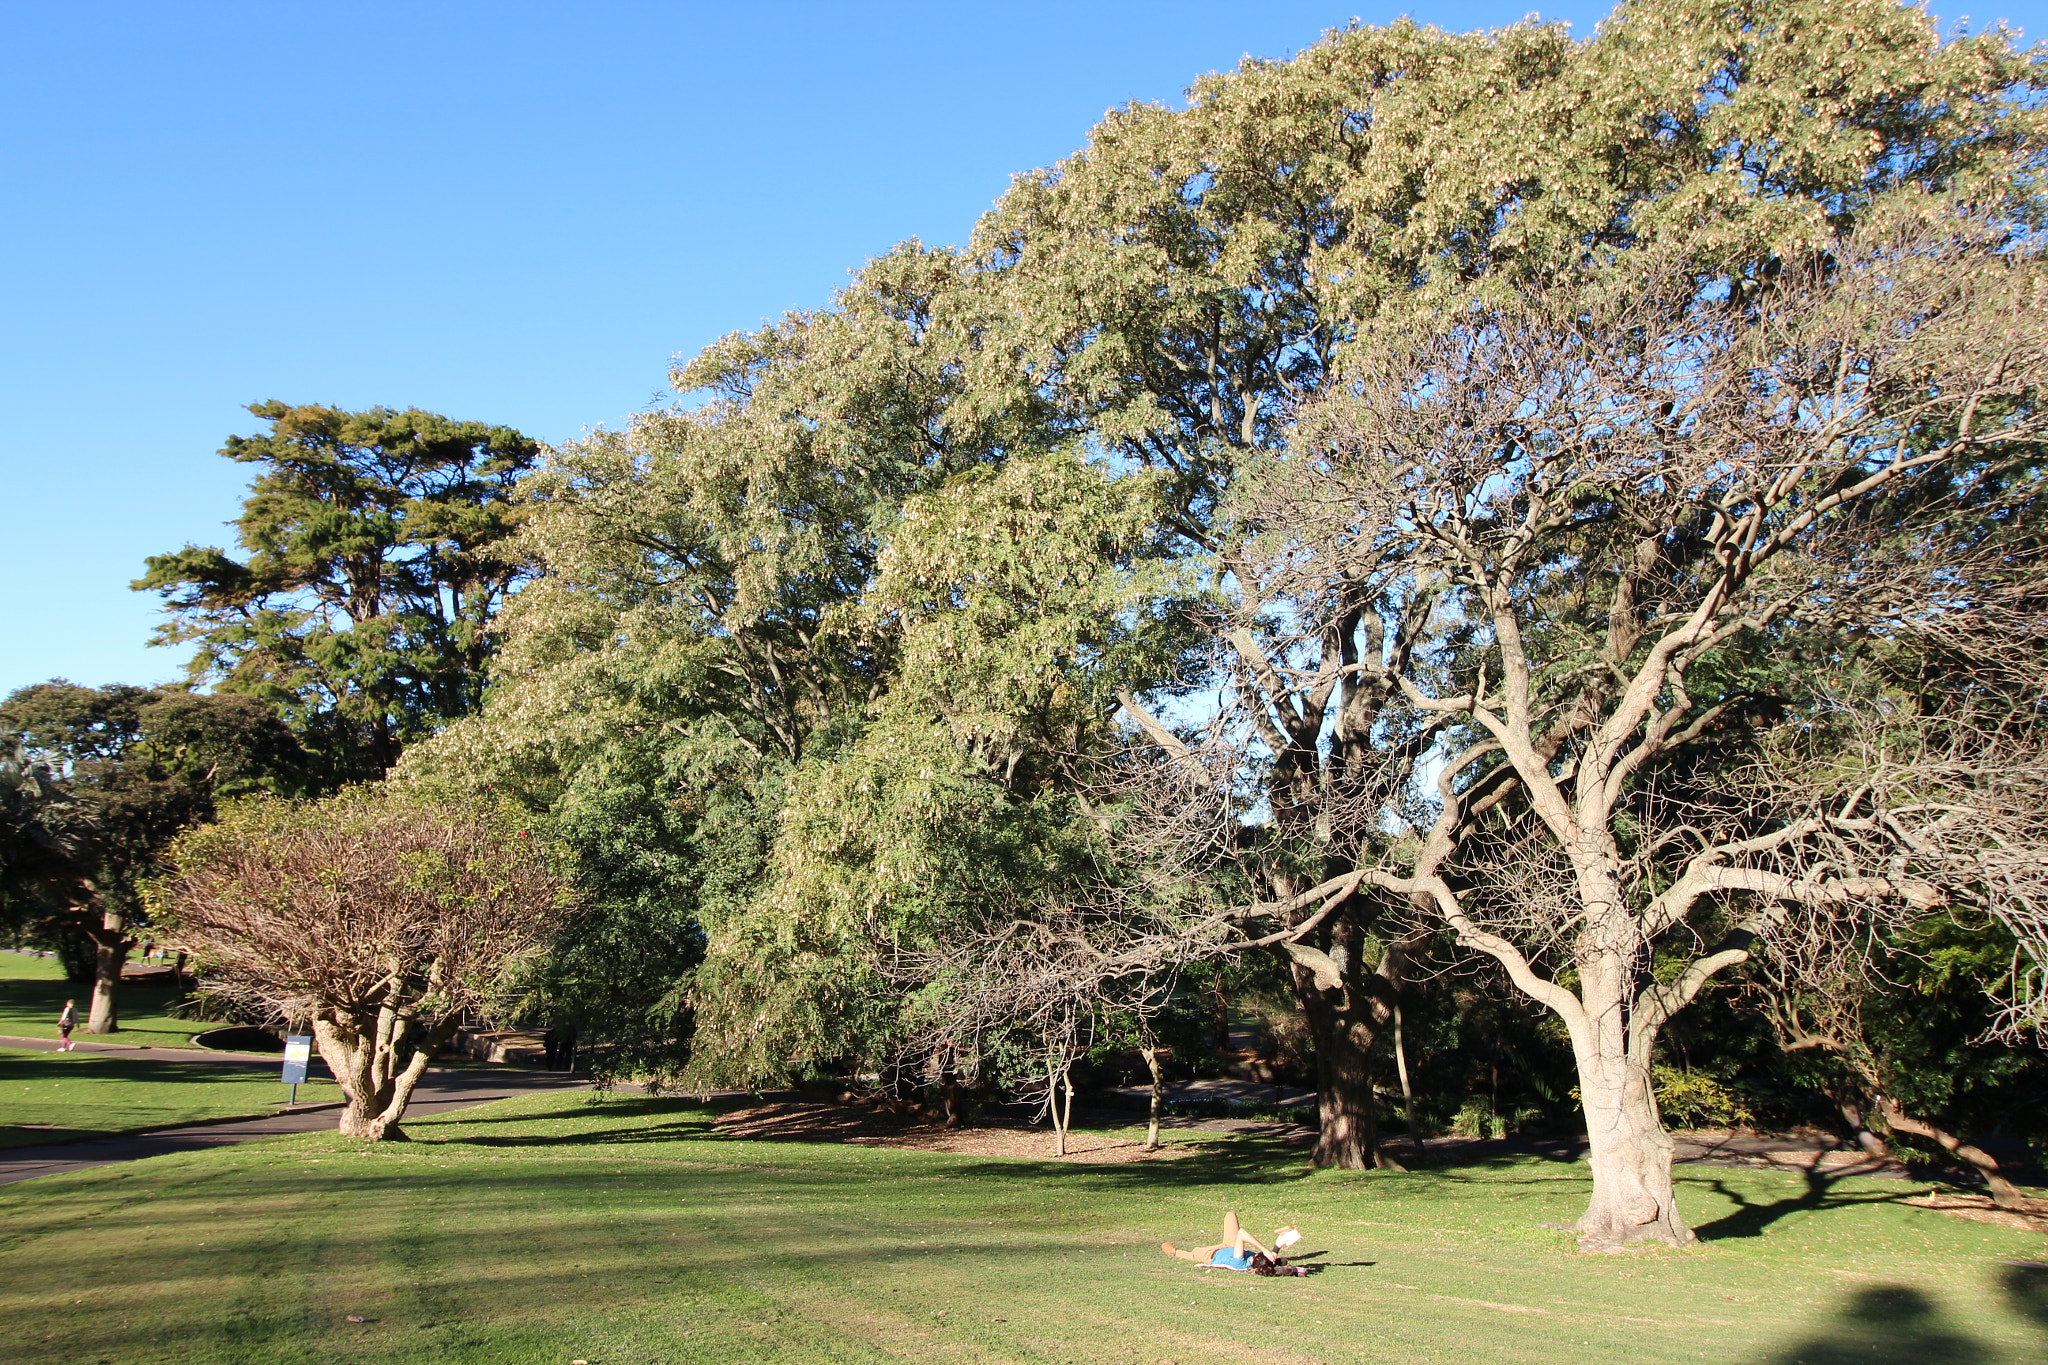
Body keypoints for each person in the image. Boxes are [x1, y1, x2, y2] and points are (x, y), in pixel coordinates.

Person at [1162, 1214, 1307, 1276]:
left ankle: (1174, 1252)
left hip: (1211, 1255)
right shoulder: (1259, 1261)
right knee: (1231, 1215)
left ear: (1256, 1256)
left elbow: (1242, 1233)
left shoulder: (1240, 1261)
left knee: (1194, 1254)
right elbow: (1272, 1256)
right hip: (1229, 1245)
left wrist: (1263, 1248)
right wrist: (1277, 1247)